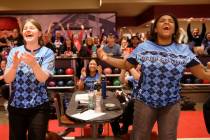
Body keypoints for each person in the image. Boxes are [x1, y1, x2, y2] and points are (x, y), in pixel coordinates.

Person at [97, 14, 210, 140]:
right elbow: (126, 64)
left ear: (175, 29)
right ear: (155, 29)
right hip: (145, 101)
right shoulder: (144, 47)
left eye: (170, 21)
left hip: (171, 103)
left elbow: (201, 73)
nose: (166, 23)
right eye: (162, 21)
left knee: (168, 137)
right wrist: (105, 58)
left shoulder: (183, 50)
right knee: (140, 136)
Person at [4, 18, 55, 140]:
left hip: (39, 106)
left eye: (31, 28)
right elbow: (7, 79)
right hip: (16, 105)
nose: (27, 30)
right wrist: (15, 65)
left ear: (39, 33)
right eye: (25, 28)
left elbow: (42, 78)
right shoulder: (15, 52)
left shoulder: (47, 52)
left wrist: (34, 64)